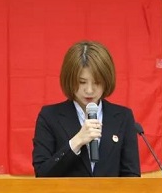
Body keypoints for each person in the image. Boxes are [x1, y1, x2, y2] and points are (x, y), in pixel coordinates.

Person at [32, 40, 141, 177]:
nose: (89, 90)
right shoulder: (50, 116)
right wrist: (76, 142)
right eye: (82, 82)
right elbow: (42, 173)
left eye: (97, 82)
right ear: (69, 79)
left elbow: (131, 175)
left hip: (111, 192)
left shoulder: (123, 117)